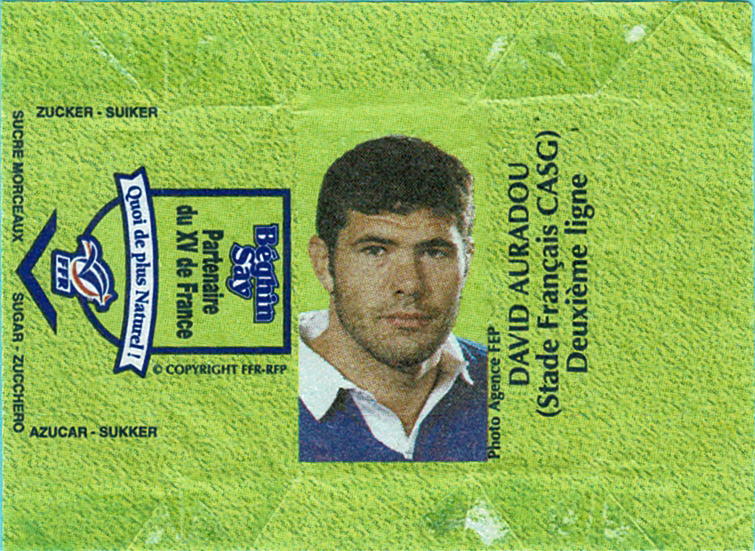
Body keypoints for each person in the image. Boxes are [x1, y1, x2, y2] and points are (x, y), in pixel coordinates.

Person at [299, 135, 487, 462]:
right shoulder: (254, 393)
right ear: (323, 263)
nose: (409, 284)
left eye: (434, 253)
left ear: (467, 262)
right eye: (376, 251)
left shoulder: (514, 385)